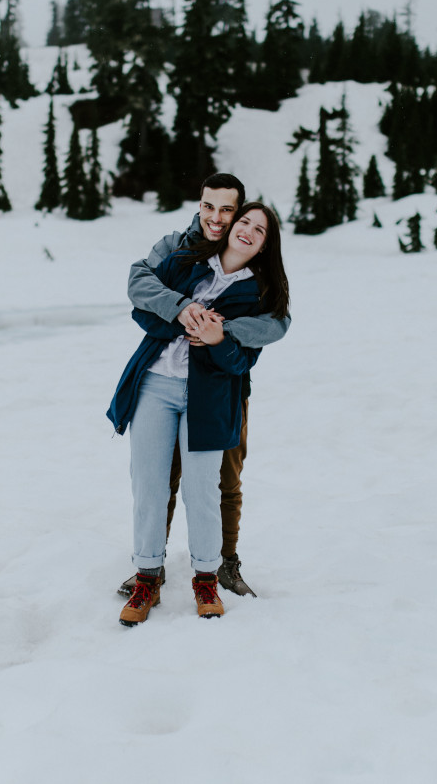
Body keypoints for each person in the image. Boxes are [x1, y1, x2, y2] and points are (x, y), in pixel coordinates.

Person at [107, 202, 291, 626]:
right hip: (155, 383)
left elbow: (242, 361)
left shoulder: (258, 291)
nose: (246, 230)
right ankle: (147, 577)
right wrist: (183, 316)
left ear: (265, 245)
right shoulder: (188, 262)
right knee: (149, 483)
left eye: (259, 230)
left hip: (208, 396)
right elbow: (141, 310)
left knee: (202, 489)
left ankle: (205, 578)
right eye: (243, 221)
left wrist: (217, 338)